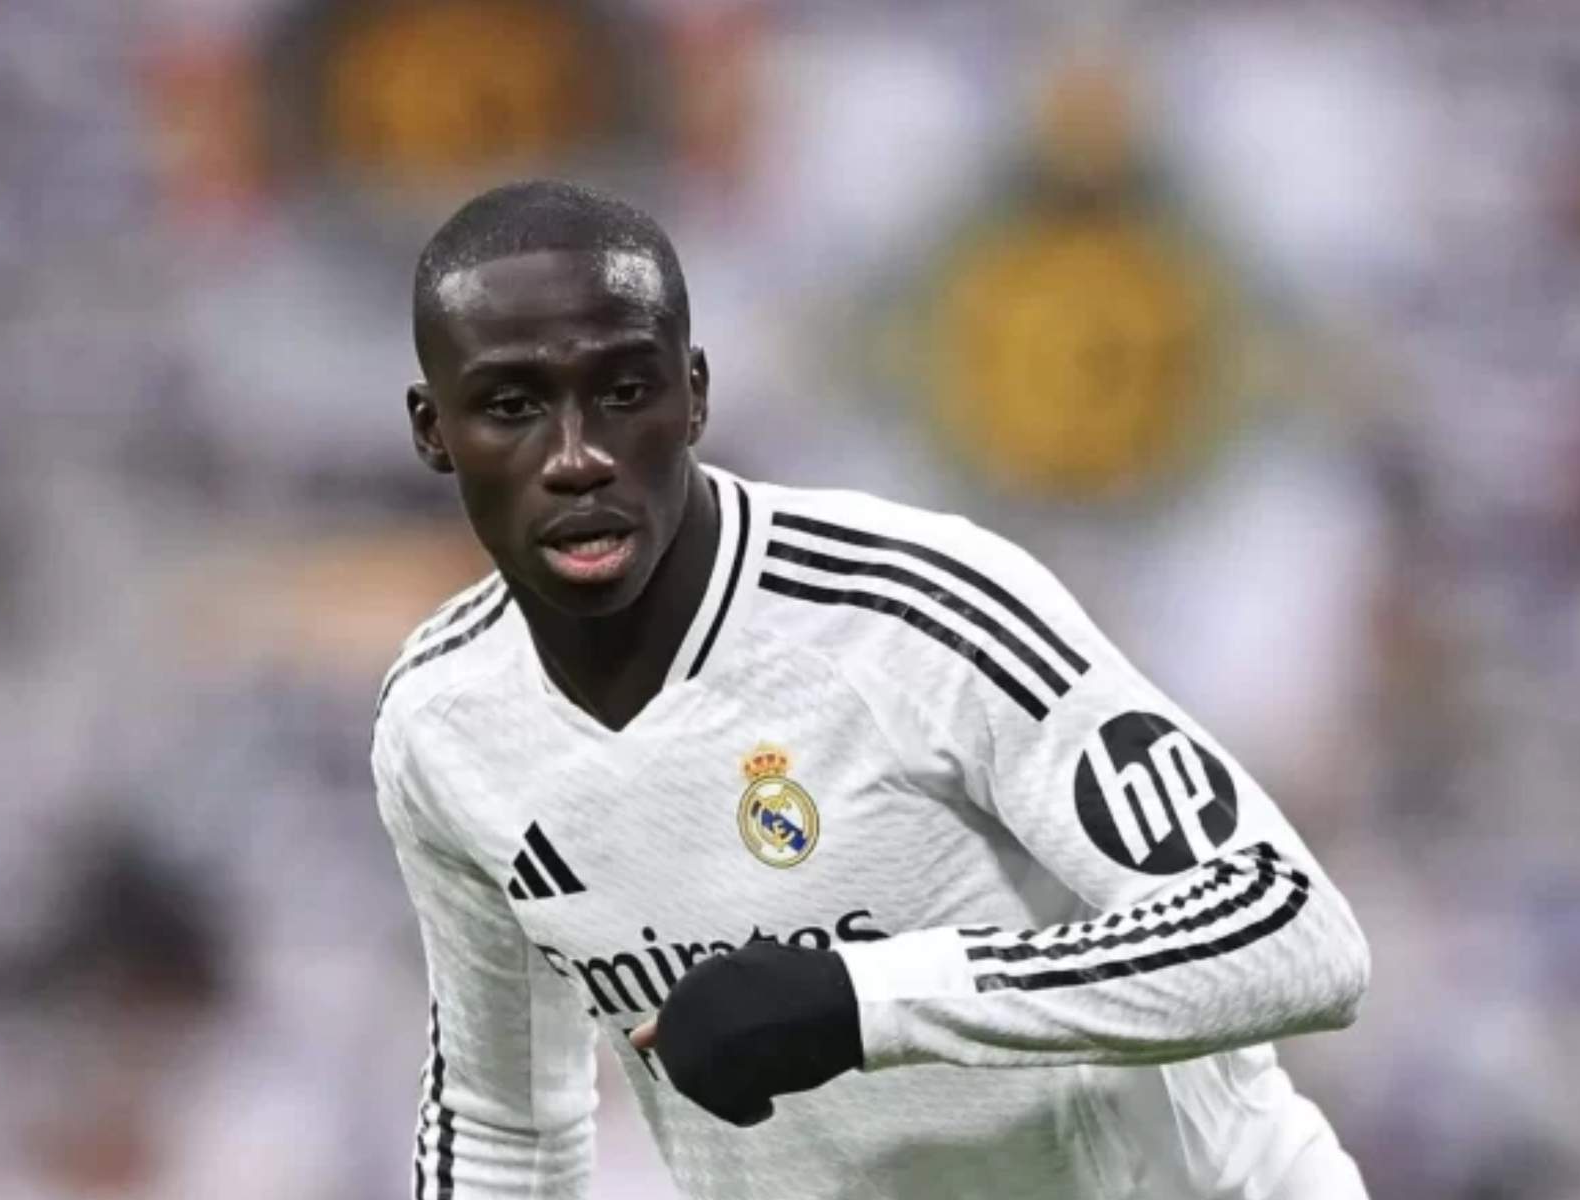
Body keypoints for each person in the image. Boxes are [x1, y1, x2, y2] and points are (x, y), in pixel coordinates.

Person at [371, 179, 1371, 1200]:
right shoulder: (443, 724)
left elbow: (1292, 934)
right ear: (431, 429)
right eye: (510, 406)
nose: (577, 457)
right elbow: (503, 1129)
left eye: (625, 392)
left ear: (695, 394)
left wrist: (865, 1000)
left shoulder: (914, 614)